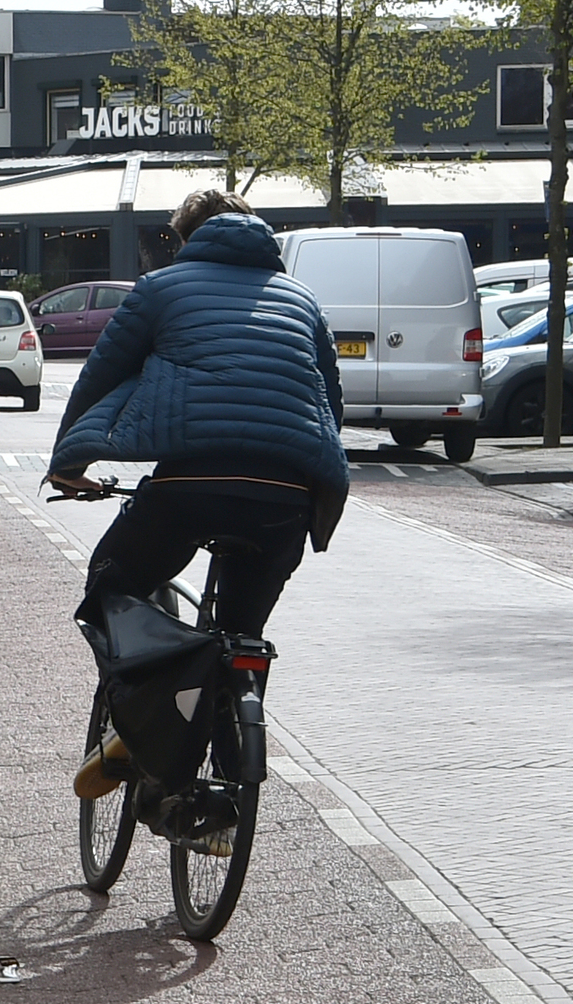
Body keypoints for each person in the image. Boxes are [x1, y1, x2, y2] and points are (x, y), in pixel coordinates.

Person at [48, 190, 350, 801]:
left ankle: (140, 727)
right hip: (285, 497)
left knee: (111, 589)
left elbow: (102, 375)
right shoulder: (302, 300)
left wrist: (71, 463)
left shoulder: (162, 288)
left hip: (190, 484)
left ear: (186, 239)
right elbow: (328, 403)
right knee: (242, 636)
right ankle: (217, 807)